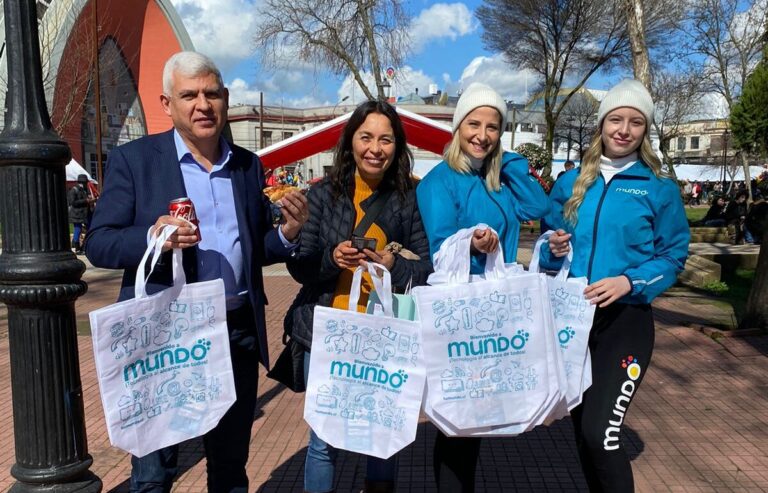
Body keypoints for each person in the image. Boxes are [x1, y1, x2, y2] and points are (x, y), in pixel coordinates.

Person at [85, 51, 309, 493]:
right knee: (154, 472)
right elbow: (99, 241)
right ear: (167, 104)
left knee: (229, 466)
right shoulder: (135, 160)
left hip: (235, 332)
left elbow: (255, 247)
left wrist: (287, 233)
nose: (203, 105)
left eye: (212, 94)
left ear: (225, 98)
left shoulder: (247, 165)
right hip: (165, 334)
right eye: (189, 95)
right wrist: (152, 236)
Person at [543, 79, 690, 492]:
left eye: (635, 122)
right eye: (616, 119)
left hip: (625, 324)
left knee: (601, 434)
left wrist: (630, 281)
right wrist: (552, 248)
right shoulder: (571, 182)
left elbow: (674, 255)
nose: (624, 130)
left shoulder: (658, 187)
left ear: (645, 130)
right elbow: (546, 249)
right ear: (601, 124)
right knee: (582, 436)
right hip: (573, 323)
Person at [283, 100, 433, 493]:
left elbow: (426, 267)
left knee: (382, 434)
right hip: (327, 333)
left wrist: (394, 265)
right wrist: (331, 259)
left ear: (397, 147)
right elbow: (300, 268)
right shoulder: (322, 195)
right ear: (350, 141)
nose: (375, 149)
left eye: (386, 140)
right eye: (366, 137)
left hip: (384, 334)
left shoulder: (409, 197)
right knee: (324, 439)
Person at [416, 82, 550, 491]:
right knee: (460, 422)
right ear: (458, 127)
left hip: (496, 307)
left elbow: (537, 207)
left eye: (493, 127)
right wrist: (471, 242)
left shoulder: (498, 180)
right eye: (474, 124)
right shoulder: (439, 182)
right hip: (462, 313)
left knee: (476, 420)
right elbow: (440, 250)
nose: (483, 135)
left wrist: (506, 160)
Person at [68, 174, 93, 254]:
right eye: (85, 182)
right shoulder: (74, 190)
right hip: (77, 214)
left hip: (85, 213)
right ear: (81, 182)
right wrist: (86, 201)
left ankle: (84, 246)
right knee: (77, 229)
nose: (86, 184)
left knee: (90, 228)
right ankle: (77, 248)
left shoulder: (85, 190)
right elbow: (73, 202)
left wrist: (91, 200)